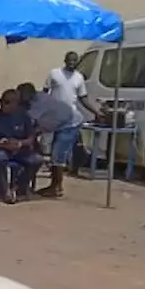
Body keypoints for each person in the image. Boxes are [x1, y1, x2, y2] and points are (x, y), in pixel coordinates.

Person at [40, 51, 100, 198]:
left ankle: (58, 187)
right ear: (65, 60)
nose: (72, 62)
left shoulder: (79, 78)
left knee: (58, 154)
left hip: (71, 121)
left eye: (75, 60)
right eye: (70, 60)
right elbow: (45, 92)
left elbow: (83, 98)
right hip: (55, 119)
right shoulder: (54, 74)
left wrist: (97, 111)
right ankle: (54, 185)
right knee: (52, 153)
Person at [0, 88, 41, 203]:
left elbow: (31, 137)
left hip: (20, 150)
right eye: (2, 101)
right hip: (1, 149)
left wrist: (20, 143)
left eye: (7, 102)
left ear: (16, 103)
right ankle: (5, 192)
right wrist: (1, 145)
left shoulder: (24, 116)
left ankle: (19, 187)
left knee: (38, 159)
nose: (3, 104)